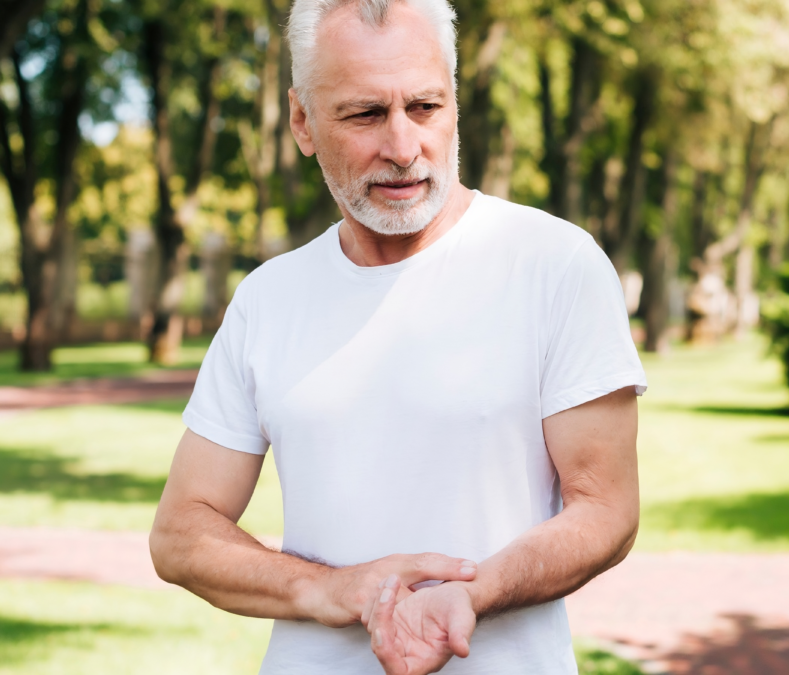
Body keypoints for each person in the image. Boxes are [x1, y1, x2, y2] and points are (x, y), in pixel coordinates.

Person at [149, 0, 647, 673]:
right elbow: (181, 533)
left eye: (425, 107)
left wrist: (476, 591)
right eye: (364, 114)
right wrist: (334, 588)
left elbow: (607, 508)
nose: (403, 147)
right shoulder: (269, 299)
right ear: (302, 121)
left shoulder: (556, 263)